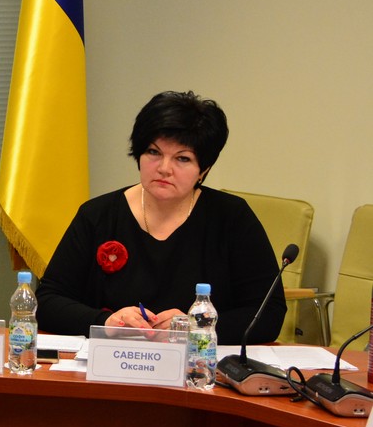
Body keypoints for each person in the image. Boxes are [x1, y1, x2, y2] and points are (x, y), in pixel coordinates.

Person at [36, 91, 285, 345]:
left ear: (204, 169)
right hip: (115, 358)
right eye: (154, 152)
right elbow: (47, 301)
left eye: (183, 158)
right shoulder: (98, 214)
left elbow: (270, 314)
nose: (164, 168)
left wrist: (196, 327)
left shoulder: (232, 217)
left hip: (198, 364)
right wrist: (106, 322)